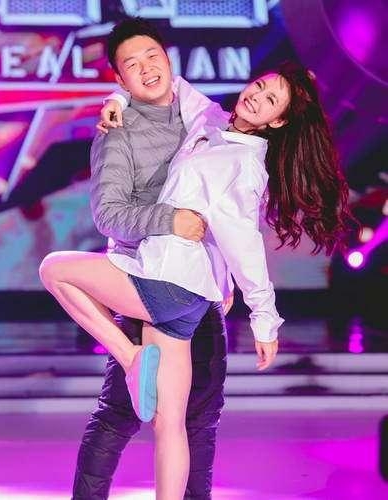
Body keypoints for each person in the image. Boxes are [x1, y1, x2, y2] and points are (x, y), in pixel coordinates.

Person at [40, 18, 352, 500]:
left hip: (164, 282)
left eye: (271, 101)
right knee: (171, 424)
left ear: (277, 122)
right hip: (186, 294)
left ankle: (130, 356)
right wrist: (117, 98)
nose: (257, 97)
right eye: (260, 86)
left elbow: (243, 242)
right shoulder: (210, 120)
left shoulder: (242, 162)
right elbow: (174, 87)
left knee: (55, 269)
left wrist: (265, 318)